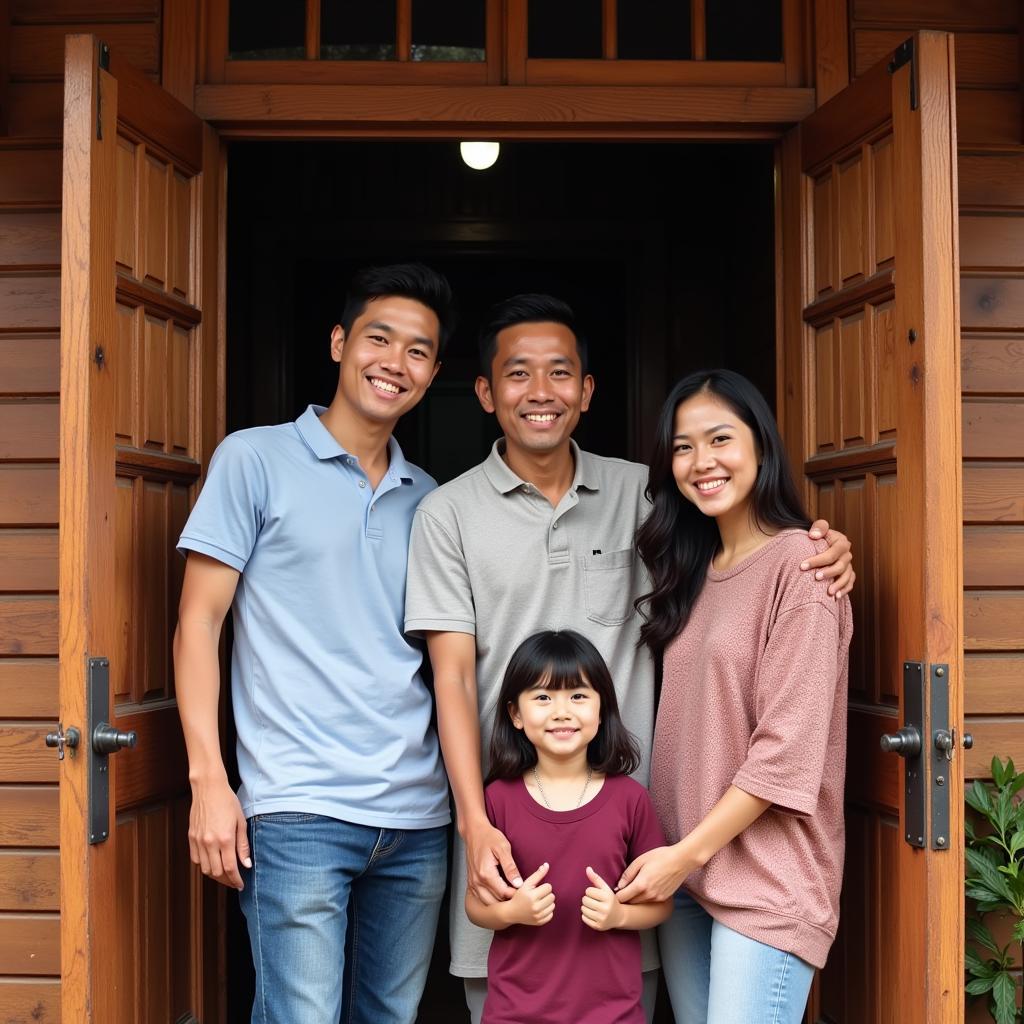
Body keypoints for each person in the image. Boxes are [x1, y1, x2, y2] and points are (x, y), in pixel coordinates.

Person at [403, 294, 857, 1022]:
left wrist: (819, 548)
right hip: (524, 833)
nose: (540, 392)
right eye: (518, 374)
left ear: (588, 391)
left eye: (560, 372)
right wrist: (474, 821)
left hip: (643, 845)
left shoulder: (645, 499)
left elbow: (759, 557)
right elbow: (451, 676)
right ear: (485, 393)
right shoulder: (448, 514)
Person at [172, 264, 456, 1024]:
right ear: (339, 343)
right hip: (298, 809)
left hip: (419, 818)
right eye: (379, 338)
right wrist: (209, 779)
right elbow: (199, 622)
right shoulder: (254, 459)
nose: (396, 363)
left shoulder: (429, 498)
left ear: (434, 373)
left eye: (420, 351)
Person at [615, 369, 853, 1024]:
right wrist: (678, 859)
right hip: (686, 874)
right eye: (684, 447)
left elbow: (785, 755)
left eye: (720, 438)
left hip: (764, 879)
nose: (702, 462)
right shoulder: (694, 568)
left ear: (760, 445)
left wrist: (682, 855)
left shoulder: (802, 568)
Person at [467, 629, 671, 1024]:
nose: (562, 711)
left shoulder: (631, 800)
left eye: (578, 696)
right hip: (516, 1012)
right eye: (543, 697)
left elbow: (660, 904)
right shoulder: (497, 800)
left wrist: (620, 917)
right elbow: (475, 906)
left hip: (611, 1012)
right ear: (515, 714)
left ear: (601, 708)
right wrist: (513, 911)